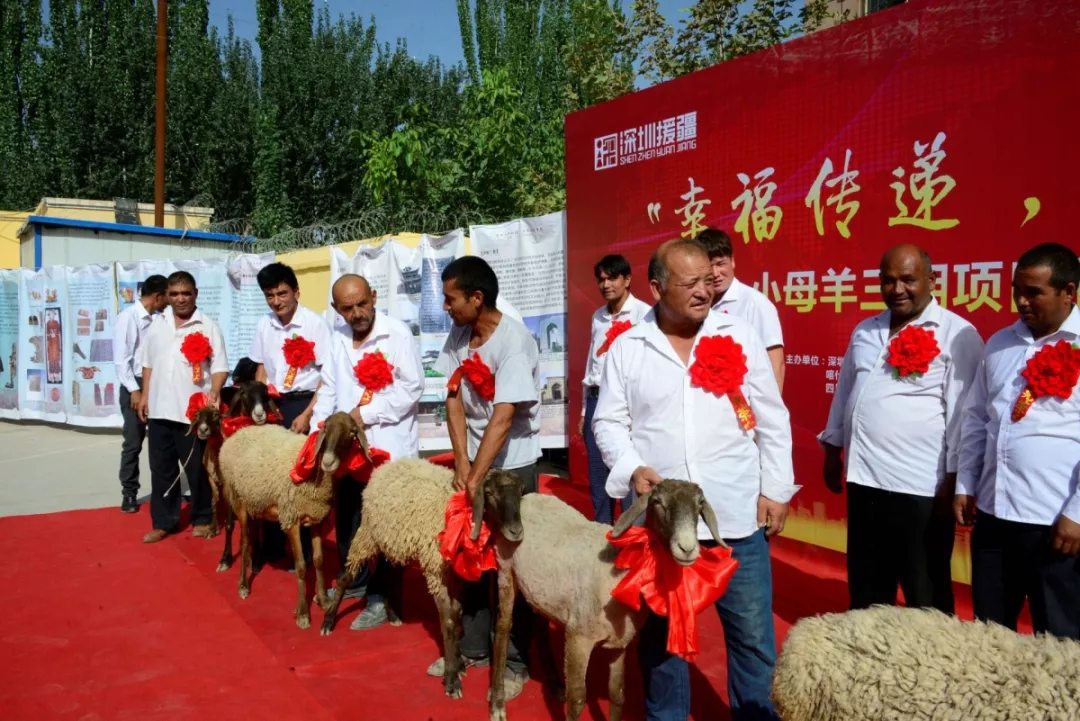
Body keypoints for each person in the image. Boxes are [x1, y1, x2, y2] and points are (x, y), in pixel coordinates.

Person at [592, 238, 796, 721]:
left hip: (735, 516)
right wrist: (632, 467)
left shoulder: (739, 334)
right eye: (691, 283)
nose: (705, 291)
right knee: (662, 643)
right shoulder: (628, 348)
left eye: (709, 280)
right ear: (657, 287)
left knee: (752, 638)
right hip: (663, 525)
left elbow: (771, 417)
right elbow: (608, 422)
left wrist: (775, 489)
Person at [819, 244, 984, 614]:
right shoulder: (866, 329)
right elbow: (846, 393)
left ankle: (931, 653)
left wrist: (956, 481)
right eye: (888, 280)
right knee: (867, 587)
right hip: (865, 480)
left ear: (931, 280)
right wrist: (832, 448)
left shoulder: (957, 334)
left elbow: (964, 416)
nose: (897, 289)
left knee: (925, 591)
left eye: (908, 280)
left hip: (921, 488)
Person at [427, 255, 541, 700]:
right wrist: (461, 462)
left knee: (513, 564)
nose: (446, 307)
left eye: (450, 298)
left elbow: (503, 417)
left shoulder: (514, 342)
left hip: (512, 465)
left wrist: (478, 476)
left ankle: (514, 660)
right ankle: (473, 647)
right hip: (475, 461)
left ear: (477, 298)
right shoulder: (459, 334)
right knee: (469, 552)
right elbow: (453, 397)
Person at [956, 242, 1080, 640]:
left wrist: (1077, 515)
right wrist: (965, 483)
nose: (1022, 302)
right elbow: (977, 419)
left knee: (1060, 642)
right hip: (994, 518)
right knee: (990, 637)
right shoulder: (1000, 343)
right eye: (1017, 291)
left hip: (1056, 524)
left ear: (1068, 292)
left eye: (1034, 292)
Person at [314, 273, 424, 630]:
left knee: (387, 528)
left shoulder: (397, 334)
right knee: (348, 520)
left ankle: (382, 598)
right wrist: (318, 431)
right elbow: (329, 389)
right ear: (337, 310)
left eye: (362, 304)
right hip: (348, 452)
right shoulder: (338, 338)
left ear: (374, 297)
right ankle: (356, 580)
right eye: (348, 308)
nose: (357, 313)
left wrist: (367, 413)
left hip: (387, 447)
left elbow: (412, 389)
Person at [248, 262, 334, 564]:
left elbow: (327, 375)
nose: (276, 301)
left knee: (300, 477)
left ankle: (306, 551)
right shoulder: (264, 324)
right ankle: (272, 545)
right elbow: (260, 366)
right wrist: (259, 404)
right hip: (273, 404)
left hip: (303, 403)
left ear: (296, 291)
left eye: (282, 293)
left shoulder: (315, 325)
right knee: (268, 475)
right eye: (269, 296)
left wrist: (309, 413)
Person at [138, 271, 229, 543]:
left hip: (192, 414)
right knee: (161, 469)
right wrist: (144, 395)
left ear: (195, 294)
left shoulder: (208, 326)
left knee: (197, 469)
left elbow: (220, 367)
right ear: (167, 296)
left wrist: (215, 390)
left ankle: (203, 518)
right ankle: (163, 522)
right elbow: (148, 364)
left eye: (186, 293)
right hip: (159, 410)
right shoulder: (158, 324)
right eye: (175, 294)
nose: (180, 299)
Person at [579, 254, 651, 523]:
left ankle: (631, 534)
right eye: (601, 279)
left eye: (612, 278)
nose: (606, 284)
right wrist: (585, 410)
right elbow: (591, 363)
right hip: (597, 398)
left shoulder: (645, 314)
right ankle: (602, 532)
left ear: (627, 279)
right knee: (598, 476)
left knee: (629, 471)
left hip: (628, 403)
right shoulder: (598, 316)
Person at [696, 227, 786, 391]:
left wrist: (769, 406)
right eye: (709, 266)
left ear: (732, 261)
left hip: (743, 402)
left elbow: (776, 365)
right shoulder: (696, 304)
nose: (715, 273)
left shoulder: (755, 304)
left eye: (721, 264)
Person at [113, 274, 168, 513]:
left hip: (156, 384)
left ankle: (166, 490)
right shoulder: (128, 318)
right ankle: (129, 492)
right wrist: (135, 391)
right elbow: (121, 360)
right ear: (157, 296)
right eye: (168, 296)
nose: (170, 301)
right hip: (134, 385)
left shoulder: (159, 319)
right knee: (133, 442)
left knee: (163, 441)